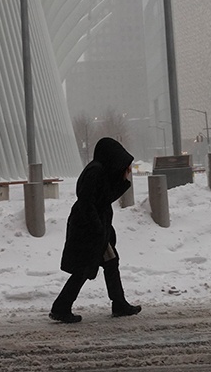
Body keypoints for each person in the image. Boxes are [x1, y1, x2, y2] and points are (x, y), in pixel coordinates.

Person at [49, 137, 142, 323]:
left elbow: (103, 198)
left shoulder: (100, 171)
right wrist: (97, 227)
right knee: (83, 269)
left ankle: (119, 303)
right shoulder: (95, 172)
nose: (128, 170)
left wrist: (121, 182)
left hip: (96, 229)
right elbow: (88, 202)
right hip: (88, 229)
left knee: (111, 262)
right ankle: (61, 307)